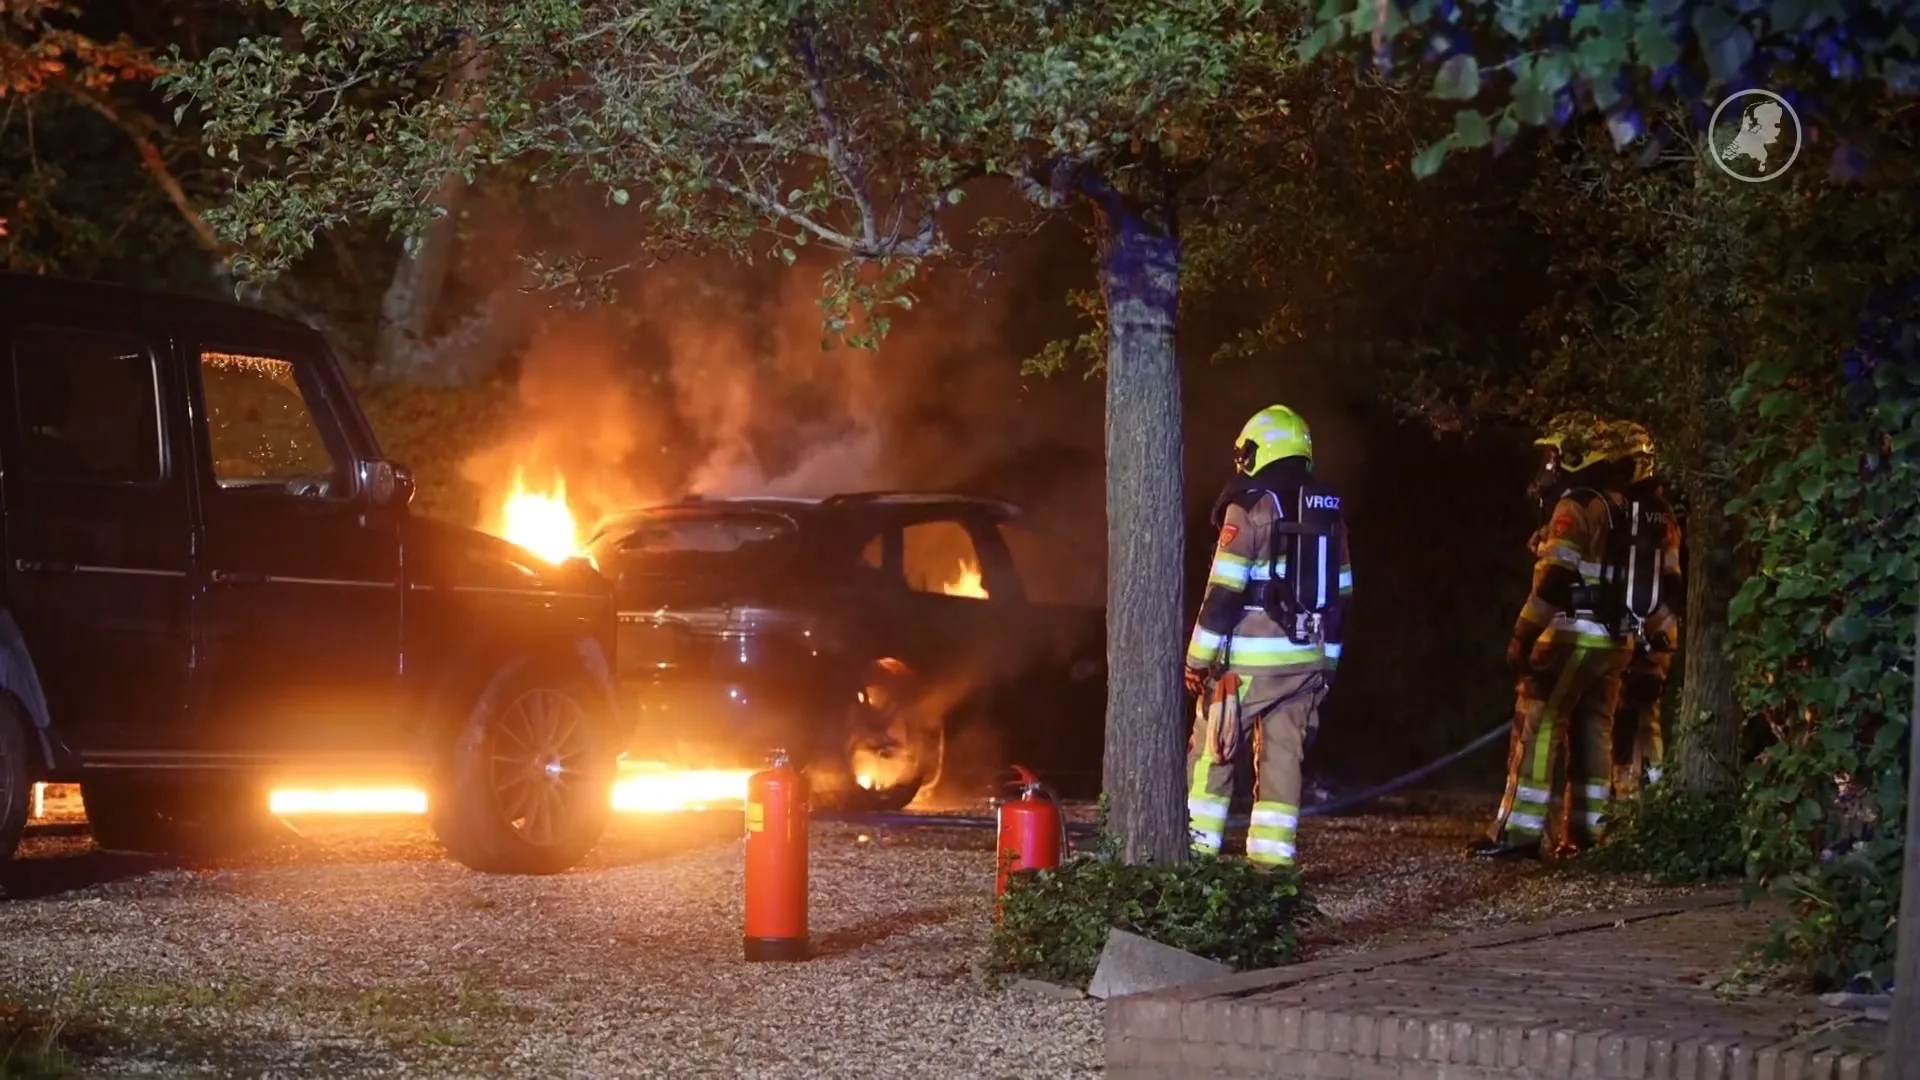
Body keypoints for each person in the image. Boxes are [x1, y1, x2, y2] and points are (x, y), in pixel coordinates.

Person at [1469, 412, 1655, 860]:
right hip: (1616, 642)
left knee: (1539, 724)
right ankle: (1591, 834)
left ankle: (1518, 832)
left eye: (1556, 455)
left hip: (1571, 636)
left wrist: (1522, 635)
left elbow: (1556, 579)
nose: (1550, 464)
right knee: (1595, 730)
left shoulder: (1575, 507)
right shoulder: (1627, 509)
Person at [1184, 404, 1352, 869]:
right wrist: (1328, 667)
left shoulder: (1249, 506)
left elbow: (1224, 592)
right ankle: (1272, 873)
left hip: (1249, 668)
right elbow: (1342, 598)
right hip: (1307, 663)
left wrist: (1198, 660)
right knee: (1283, 761)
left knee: (1211, 753)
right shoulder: (1328, 514)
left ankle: (1196, 862)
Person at [1612, 474, 1684, 795]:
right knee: (1647, 714)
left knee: (1623, 712)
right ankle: (1656, 792)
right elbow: (1672, 578)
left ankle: (1625, 793)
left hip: (1630, 627)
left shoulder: (1622, 511)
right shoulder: (1664, 515)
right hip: (1662, 632)